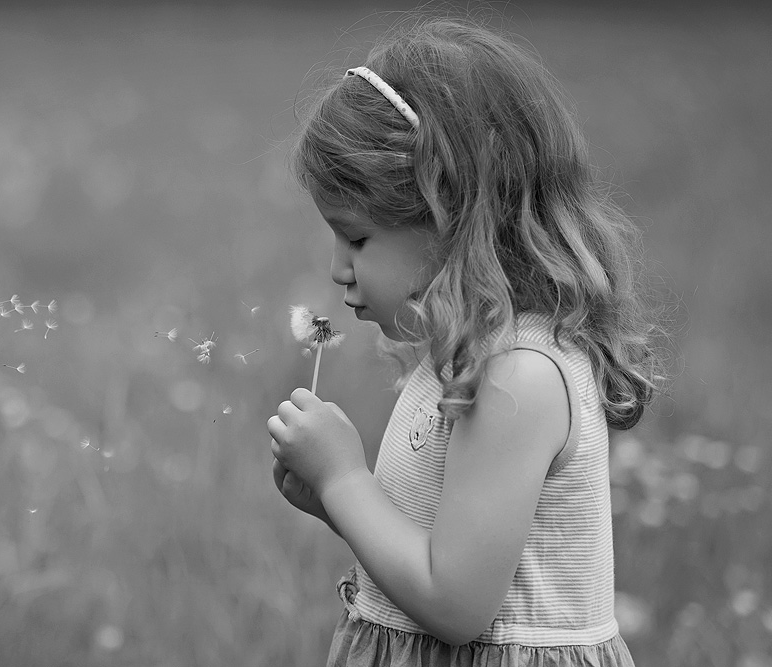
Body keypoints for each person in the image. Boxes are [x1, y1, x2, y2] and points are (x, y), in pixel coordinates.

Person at [267, 15, 665, 667]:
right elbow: (434, 551)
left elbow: (456, 605)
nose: (339, 269)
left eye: (358, 239)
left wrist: (344, 478)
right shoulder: (464, 358)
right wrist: (338, 503)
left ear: (451, 218)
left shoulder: (521, 377)